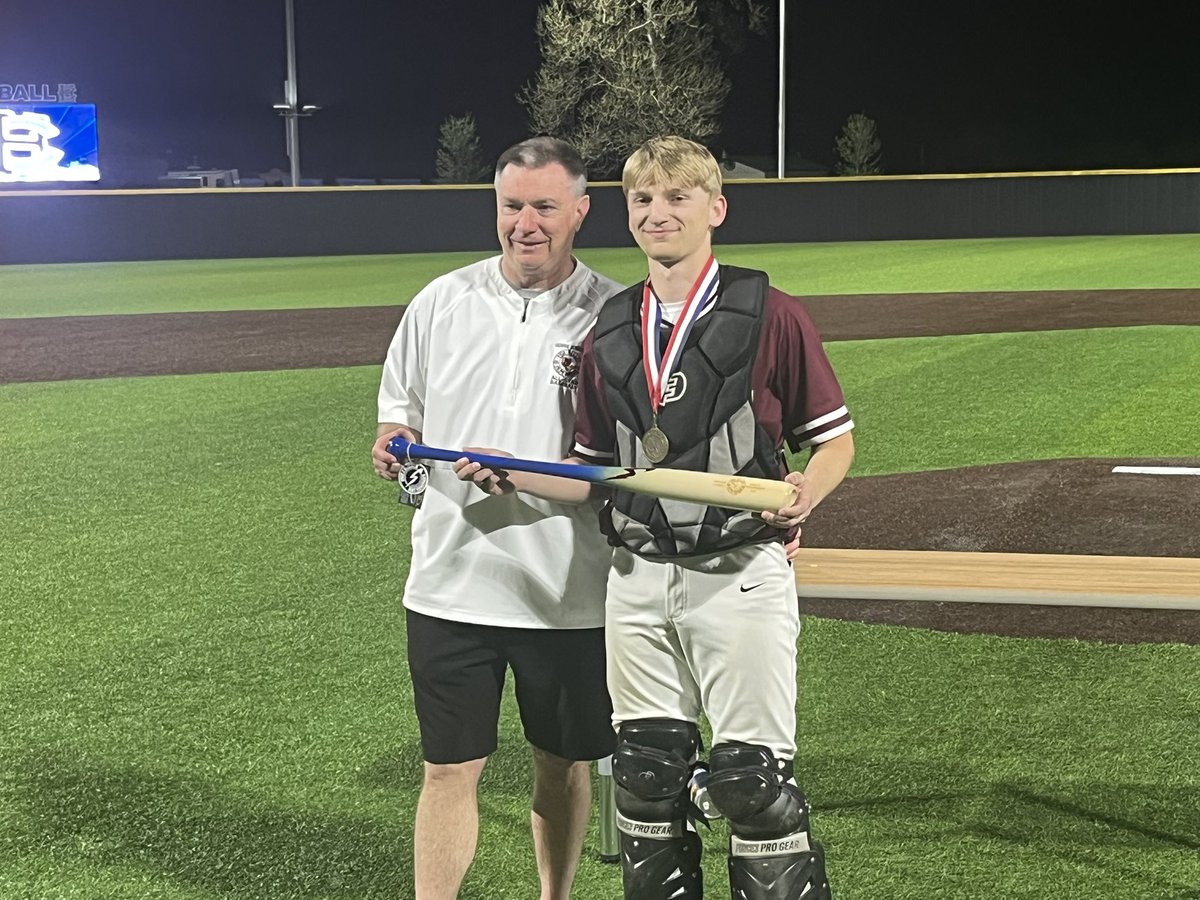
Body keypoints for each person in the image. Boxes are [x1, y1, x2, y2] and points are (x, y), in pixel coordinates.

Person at [456, 135, 855, 899]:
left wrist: (810, 488)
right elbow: (595, 478)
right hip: (636, 578)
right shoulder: (608, 328)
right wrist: (516, 475)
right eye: (643, 199)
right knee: (644, 780)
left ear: (716, 207)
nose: (658, 212)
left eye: (677, 197)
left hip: (738, 573)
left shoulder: (770, 311)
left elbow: (834, 440)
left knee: (751, 784)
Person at [371, 136, 623, 900]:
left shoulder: (613, 315)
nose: (526, 223)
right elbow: (395, 420)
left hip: (567, 592)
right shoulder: (440, 301)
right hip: (450, 582)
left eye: (545, 206)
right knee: (447, 768)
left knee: (562, 762)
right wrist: (392, 449)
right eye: (512, 206)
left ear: (579, 210)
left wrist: (528, 479)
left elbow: (624, 469)